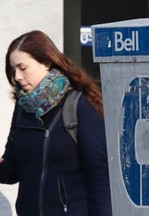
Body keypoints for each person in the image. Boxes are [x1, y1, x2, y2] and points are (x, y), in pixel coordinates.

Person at [0, 30, 112, 216]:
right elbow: (12, 171)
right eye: (13, 70)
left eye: (23, 67)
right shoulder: (22, 109)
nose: (17, 76)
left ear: (46, 62)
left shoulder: (79, 106)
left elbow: (100, 179)